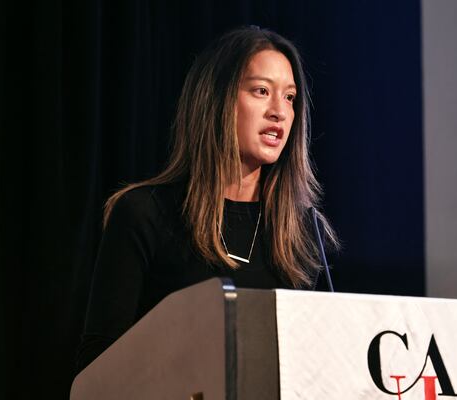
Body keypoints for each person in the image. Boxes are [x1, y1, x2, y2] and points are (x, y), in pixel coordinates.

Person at [75, 26, 339, 374]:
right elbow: (98, 369)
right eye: (261, 91)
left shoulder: (305, 232)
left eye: (290, 97)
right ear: (217, 100)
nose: (280, 111)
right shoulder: (145, 214)